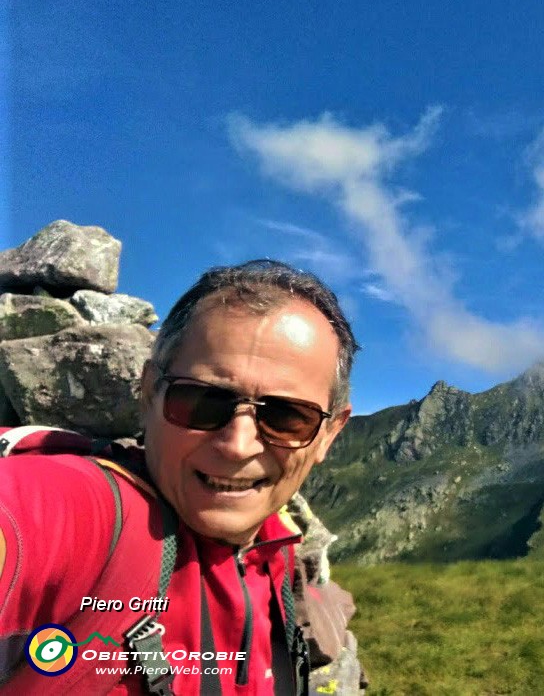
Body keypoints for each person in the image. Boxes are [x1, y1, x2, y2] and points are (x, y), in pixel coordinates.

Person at [0, 260, 364, 694]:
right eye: (201, 401)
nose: (238, 444)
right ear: (149, 391)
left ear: (328, 434)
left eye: (287, 417)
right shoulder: (84, 513)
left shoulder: (277, 549)